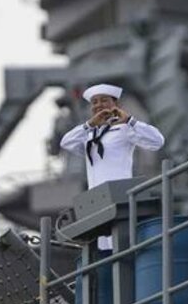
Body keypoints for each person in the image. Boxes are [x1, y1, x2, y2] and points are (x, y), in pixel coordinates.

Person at [60, 83, 165, 249]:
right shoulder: (89, 135)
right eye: (94, 102)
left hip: (119, 194)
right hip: (96, 198)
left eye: (104, 100)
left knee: (120, 244)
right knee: (102, 248)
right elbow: (66, 142)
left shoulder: (124, 129)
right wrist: (89, 124)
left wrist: (130, 121)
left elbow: (157, 141)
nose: (99, 105)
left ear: (115, 103)